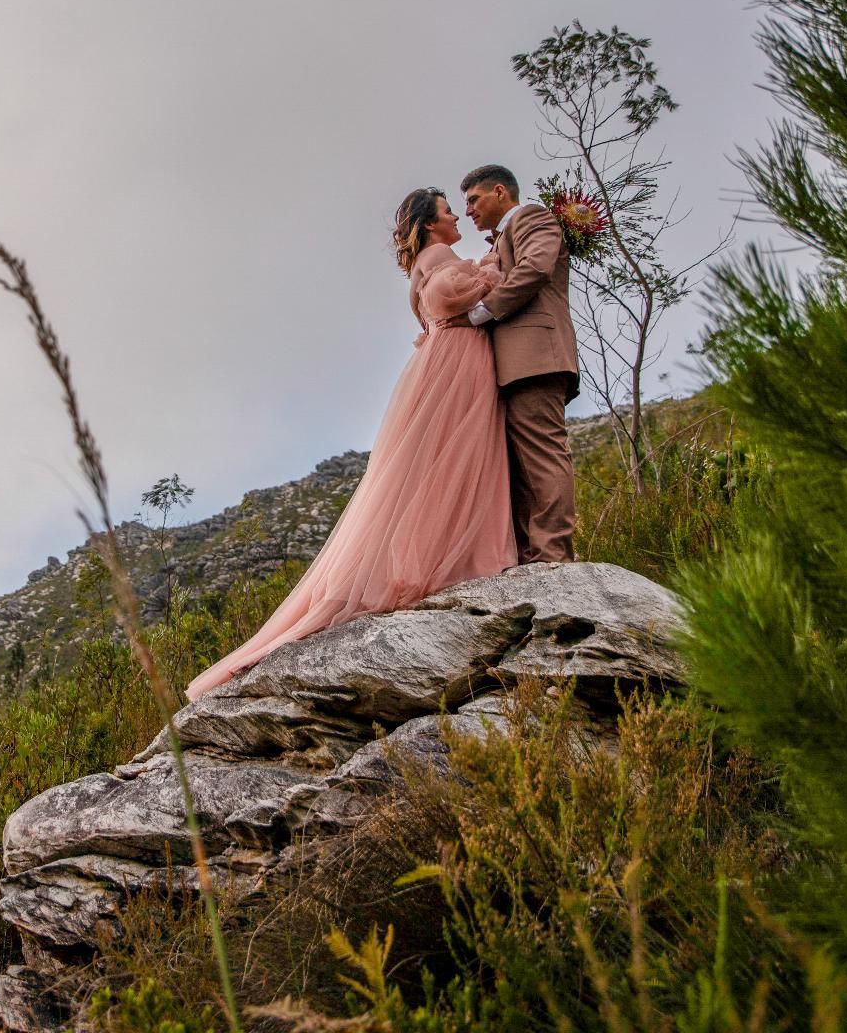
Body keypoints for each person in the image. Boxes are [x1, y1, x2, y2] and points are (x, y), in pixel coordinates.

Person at [185, 188, 517, 701]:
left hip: (441, 363)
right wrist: (493, 266)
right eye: (450, 210)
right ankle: (458, 559)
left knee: (437, 465)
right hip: (457, 362)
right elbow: (452, 297)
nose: (457, 217)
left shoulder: (424, 262)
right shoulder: (441, 255)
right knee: (461, 458)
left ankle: (441, 556)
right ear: (430, 224)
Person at [460, 164, 579, 564]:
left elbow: (535, 268)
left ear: (499, 192)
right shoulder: (496, 243)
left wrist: (483, 310)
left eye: (473, 200)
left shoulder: (532, 217)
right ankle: (531, 554)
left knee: (542, 454)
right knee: (518, 465)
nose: (469, 211)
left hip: (536, 356)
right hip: (511, 364)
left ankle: (553, 555)